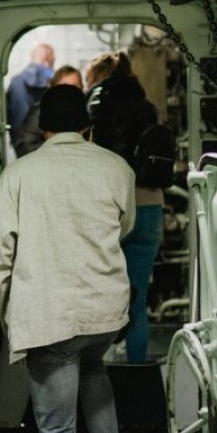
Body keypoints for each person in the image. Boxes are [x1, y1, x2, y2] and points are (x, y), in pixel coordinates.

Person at [0, 83, 136, 433]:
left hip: (51, 319)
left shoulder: (20, 175)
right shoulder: (116, 167)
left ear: (42, 127)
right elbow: (124, 227)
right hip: (105, 313)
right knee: (93, 367)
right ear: (86, 127)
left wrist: (14, 313)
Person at [85, 51, 164, 365]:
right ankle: (136, 372)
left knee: (102, 299)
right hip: (149, 205)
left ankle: (97, 375)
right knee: (138, 300)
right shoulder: (148, 107)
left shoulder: (94, 105)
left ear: (99, 75)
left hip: (110, 209)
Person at [13, 65, 84, 157]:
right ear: (53, 87)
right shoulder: (41, 110)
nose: (68, 90)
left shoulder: (84, 110)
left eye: (74, 86)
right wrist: (59, 152)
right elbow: (24, 146)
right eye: (63, 85)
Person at [4, 42, 56, 150]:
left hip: (22, 147)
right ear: (46, 57)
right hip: (49, 150)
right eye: (53, 61)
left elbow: (11, 121)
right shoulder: (53, 83)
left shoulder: (15, 83)